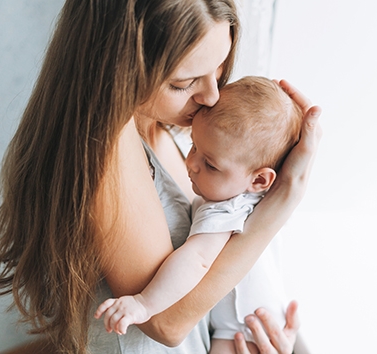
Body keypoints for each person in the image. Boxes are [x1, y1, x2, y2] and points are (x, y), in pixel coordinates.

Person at [0, 0, 321, 353]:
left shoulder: (171, 127)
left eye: (219, 66)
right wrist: (281, 203)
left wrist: (269, 328)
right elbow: (166, 324)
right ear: (122, 67)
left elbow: (211, 287)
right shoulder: (106, 149)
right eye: (184, 82)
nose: (212, 96)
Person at [94, 76, 302, 354]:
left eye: (211, 165)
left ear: (261, 180)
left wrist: (144, 303)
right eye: (193, 146)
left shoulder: (226, 208)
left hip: (243, 333)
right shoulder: (252, 195)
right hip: (256, 325)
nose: (191, 163)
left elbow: (198, 259)